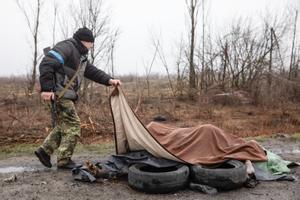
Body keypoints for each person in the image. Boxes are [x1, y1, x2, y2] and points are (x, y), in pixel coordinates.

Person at [35, 27, 121, 169]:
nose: (92, 46)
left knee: (65, 124)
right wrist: (46, 89)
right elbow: (47, 63)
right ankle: (64, 160)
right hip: (59, 93)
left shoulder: (80, 56)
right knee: (74, 124)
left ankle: (44, 151)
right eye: (91, 43)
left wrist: (109, 80)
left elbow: (92, 71)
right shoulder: (67, 47)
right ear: (85, 41)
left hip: (64, 94)